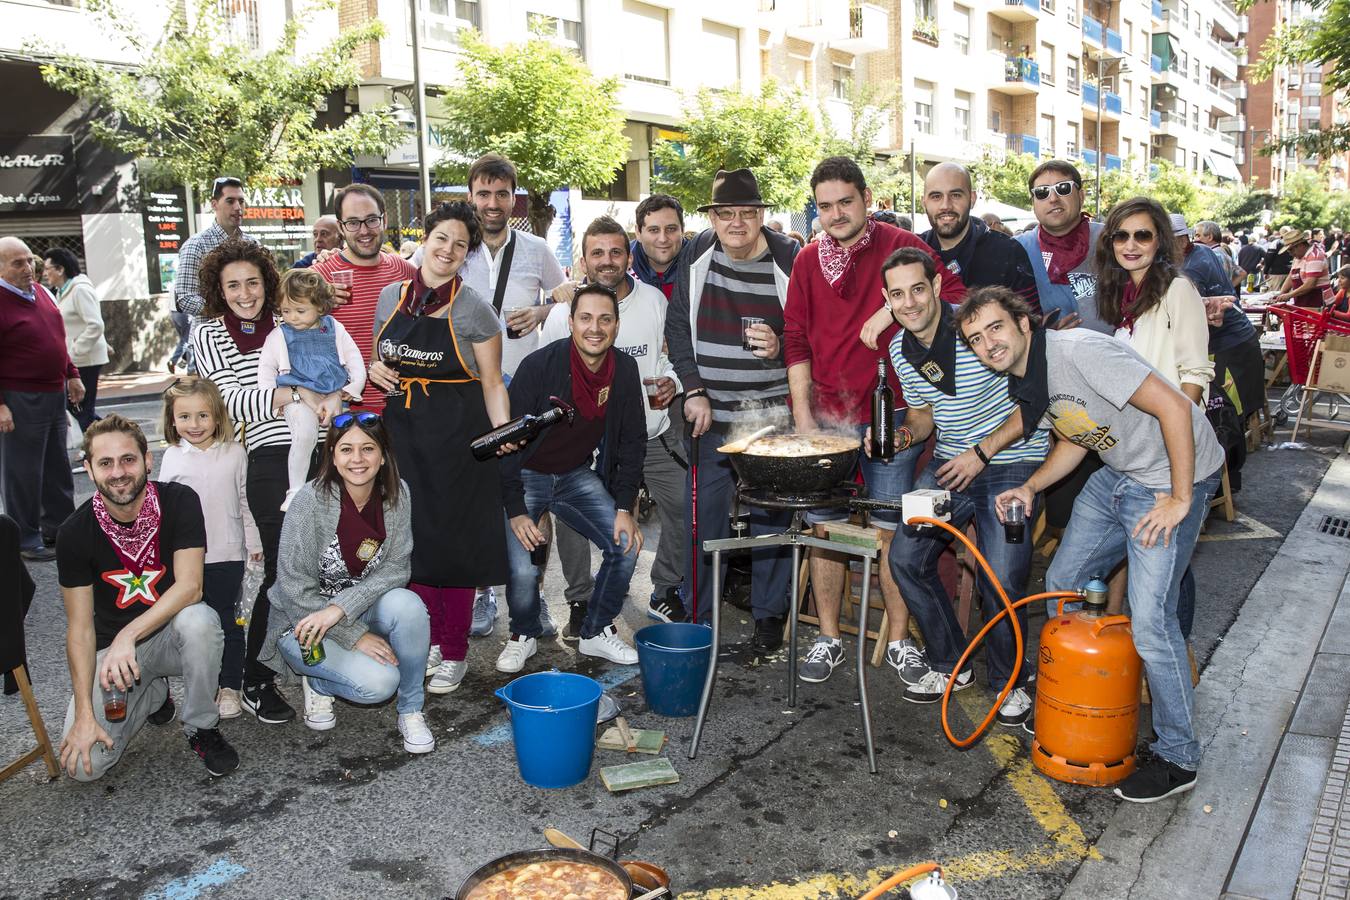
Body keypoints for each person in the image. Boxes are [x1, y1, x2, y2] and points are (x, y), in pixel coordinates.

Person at [959, 289, 1224, 803]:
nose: (987, 343)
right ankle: (1075, 703)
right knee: (1061, 583)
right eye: (974, 339)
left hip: (1173, 477)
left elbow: (1174, 406)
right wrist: (1031, 486)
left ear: (1022, 323)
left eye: (994, 328)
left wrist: (1179, 498)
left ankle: (1178, 756)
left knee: (1152, 621)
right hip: (1119, 473)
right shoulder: (1030, 378)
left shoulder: (1078, 351)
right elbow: (1078, 434)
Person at [783, 156, 965, 678]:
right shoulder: (807, 259)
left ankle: (902, 640)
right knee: (825, 529)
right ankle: (828, 637)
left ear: (867, 198)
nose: (836, 214)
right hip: (827, 415)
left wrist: (889, 307)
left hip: (894, 415)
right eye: (825, 206)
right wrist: (802, 417)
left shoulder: (899, 245)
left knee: (890, 530)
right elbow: (795, 337)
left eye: (846, 201)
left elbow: (953, 294)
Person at [880, 257, 1047, 722]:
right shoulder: (898, 350)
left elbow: (1033, 400)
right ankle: (951, 662)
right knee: (905, 558)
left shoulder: (977, 329)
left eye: (917, 289)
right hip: (950, 464)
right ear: (887, 301)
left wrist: (983, 453)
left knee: (1004, 576)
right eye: (897, 294)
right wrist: (902, 438)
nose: (909, 302)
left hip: (1012, 461)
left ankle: (1008, 682)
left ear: (936, 286)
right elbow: (922, 416)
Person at [367, 201, 511, 694]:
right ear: (424, 238)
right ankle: (427, 638)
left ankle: (454, 652)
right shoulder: (390, 297)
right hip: (404, 438)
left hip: (459, 440)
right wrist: (374, 370)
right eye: (441, 238)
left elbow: (492, 383)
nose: (448, 250)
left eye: (460, 244)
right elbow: (380, 359)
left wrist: (502, 437)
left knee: (456, 551)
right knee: (416, 546)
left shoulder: (475, 309)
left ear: (468, 255)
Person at [56, 415, 237, 779]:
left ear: (147, 460)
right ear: (88, 469)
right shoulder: (74, 532)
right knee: (82, 766)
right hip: (116, 657)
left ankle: (201, 726)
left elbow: (190, 588)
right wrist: (84, 718)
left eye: (128, 459)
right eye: (105, 463)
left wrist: (129, 635)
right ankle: (152, 694)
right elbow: (79, 630)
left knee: (200, 620)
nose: (118, 472)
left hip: (173, 637)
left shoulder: (179, 500)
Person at [665, 168, 798, 632]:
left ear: (762, 215)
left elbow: (807, 333)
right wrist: (694, 390)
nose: (736, 223)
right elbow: (677, 327)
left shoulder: (790, 258)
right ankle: (700, 615)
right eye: (726, 214)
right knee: (702, 520)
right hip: (711, 416)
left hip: (772, 418)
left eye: (747, 213)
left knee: (770, 519)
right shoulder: (697, 252)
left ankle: (768, 616)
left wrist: (780, 343)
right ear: (713, 218)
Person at [540, 216, 685, 633]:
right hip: (583, 443)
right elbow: (546, 377)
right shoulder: (561, 315)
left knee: (683, 505)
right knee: (569, 518)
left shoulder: (654, 301)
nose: (607, 260)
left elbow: (670, 357)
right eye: (597, 253)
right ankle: (581, 600)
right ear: (583, 261)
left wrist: (670, 382)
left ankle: (665, 588)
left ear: (629, 255)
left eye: (615, 251)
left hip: (651, 435)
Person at [260, 411, 434, 754]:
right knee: (380, 683)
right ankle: (320, 684)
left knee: (409, 605)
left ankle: (411, 710)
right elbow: (293, 588)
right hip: (303, 624)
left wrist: (341, 610)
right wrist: (352, 636)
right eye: (346, 449)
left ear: (382, 455)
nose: (357, 459)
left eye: (368, 449)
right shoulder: (309, 501)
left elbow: (398, 568)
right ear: (333, 456)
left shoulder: (398, 494)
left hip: (353, 613)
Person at [498, 284, 647, 672]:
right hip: (528, 475)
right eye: (585, 318)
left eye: (604, 319)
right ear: (570, 322)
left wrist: (624, 507)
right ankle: (523, 633)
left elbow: (633, 442)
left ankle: (596, 630)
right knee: (521, 567)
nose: (594, 328)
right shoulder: (539, 366)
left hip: (574, 474)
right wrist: (515, 510)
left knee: (626, 545)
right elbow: (507, 444)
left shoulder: (624, 370)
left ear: (616, 326)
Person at [458, 154, 568, 633]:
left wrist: (541, 312)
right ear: (471, 198)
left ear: (513, 198)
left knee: (534, 497)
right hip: (467, 390)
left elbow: (569, 295)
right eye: (483, 194)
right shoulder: (451, 247)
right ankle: (482, 593)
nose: (492, 203)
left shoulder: (537, 248)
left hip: (526, 390)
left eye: (502, 193)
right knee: (479, 496)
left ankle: (535, 595)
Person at [1099, 201, 1214, 659]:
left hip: (1171, 450)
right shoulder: (1123, 294)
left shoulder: (1177, 290)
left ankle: (1173, 656)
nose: (1130, 245)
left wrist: (1174, 446)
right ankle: (1160, 657)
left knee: (1168, 572)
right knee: (1165, 565)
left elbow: (1195, 373)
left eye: (1142, 236)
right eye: (1121, 236)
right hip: (1137, 451)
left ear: (1160, 241)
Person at [191, 239, 298, 726]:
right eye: (232, 284)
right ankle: (254, 676)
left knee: (321, 563)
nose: (244, 293)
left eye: (252, 282)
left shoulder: (289, 321)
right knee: (276, 569)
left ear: (267, 282)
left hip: (312, 448)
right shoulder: (208, 334)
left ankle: (312, 667)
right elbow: (229, 403)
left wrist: (296, 394)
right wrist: (289, 394)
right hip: (262, 455)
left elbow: (322, 375)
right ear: (219, 289)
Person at [157, 378, 262, 719]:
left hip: (227, 555)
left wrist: (254, 543)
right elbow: (165, 513)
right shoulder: (172, 458)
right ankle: (203, 686)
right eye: (185, 417)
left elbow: (245, 501)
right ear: (172, 420)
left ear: (217, 416)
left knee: (228, 624)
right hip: (186, 562)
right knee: (192, 626)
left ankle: (230, 686)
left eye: (203, 415)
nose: (194, 424)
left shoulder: (235, 453)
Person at [0, 236, 83, 562]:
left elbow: (57, 339)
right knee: (23, 471)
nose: (27, 267)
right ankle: (25, 537)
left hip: (52, 392)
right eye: (17, 263)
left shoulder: (41, 292)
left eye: (28, 260)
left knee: (57, 467)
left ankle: (59, 529)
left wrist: (72, 373)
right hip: (20, 396)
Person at [257, 269, 366, 511]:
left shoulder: (334, 328)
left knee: (345, 438)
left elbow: (355, 360)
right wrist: (270, 400)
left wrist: (350, 389)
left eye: (300, 310)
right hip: (298, 398)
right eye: (286, 311)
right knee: (305, 433)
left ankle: (341, 487)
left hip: (332, 395)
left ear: (320, 306)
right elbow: (266, 368)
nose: (292, 317)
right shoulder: (279, 335)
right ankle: (295, 489)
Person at [313, 183, 417, 413]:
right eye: (353, 223)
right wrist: (315, 305)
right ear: (341, 227)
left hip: (405, 408)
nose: (363, 230)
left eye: (371, 219)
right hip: (346, 414)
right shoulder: (319, 278)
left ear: (384, 220)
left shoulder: (406, 272)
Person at [1172, 215, 1265, 427]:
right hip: (1240, 335)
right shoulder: (1204, 250)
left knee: (1225, 414)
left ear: (1182, 240)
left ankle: (1232, 447)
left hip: (1226, 344)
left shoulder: (1190, 269)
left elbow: (1189, 317)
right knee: (1236, 410)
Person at [1014, 160, 1111, 334]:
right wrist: (1039, 332)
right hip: (1050, 356)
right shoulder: (1016, 249)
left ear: (1081, 196)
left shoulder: (1112, 240)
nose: (1053, 198)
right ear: (1033, 203)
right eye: (1042, 192)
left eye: (1063, 188)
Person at [42, 248, 109, 431]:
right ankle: (108, 436)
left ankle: (101, 443)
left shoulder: (80, 290)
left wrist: (74, 350)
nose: (45, 273)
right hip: (74, 359)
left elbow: (95, 324)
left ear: (60, 269)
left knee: (80, 406)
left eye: (48, 269)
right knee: (77, 406)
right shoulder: (61, 291)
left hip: (85, 359)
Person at [174, 177, 252, 326]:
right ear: (214, 204)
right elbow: (185, 298)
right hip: (210, 342)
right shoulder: (196, 245)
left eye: (241, 201)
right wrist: (228, 309)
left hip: (251, 338)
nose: (238, 207)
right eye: (230, 201)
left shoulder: (253, 243)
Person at [631, 194, 687, 299]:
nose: (663, 239)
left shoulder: (702, 264)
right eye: (653, 230)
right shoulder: (620, 265)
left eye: (671, 229)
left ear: (682, 230)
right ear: (638, 233)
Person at [1273, 226, 1334, 307]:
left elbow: (1309, 285)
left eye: (1291, 250)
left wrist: (1289, 295)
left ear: (1300, 245)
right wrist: (1281, 294)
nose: (1290, 253)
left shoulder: (1314, 256)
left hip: (1319, 302)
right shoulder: (1298, 257)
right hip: (1305, 302)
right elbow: (1291, 277)